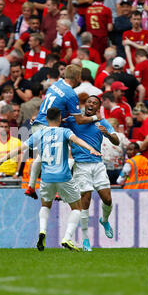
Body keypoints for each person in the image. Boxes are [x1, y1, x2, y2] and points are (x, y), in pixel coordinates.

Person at [0, 107, 101, 251]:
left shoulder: (40, 133)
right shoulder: (65, 131)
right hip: (64, 177)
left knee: (45, 206)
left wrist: (2, 159)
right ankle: (67, 238)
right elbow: (77, 140)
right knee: (77, 208)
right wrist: (90, 149)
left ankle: (42, 231)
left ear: (46, 119)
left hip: (46, 177)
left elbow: (20, 149)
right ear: (60, 117)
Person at [25, 65, 97, 199]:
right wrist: (95, 118)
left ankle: (31, 186)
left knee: (41, 157)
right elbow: (79, 120)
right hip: (49, 127)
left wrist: (39, 114)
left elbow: (48, 102)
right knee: (67, 156)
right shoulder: (71, 94)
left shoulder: (55, 84)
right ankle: (59, 190)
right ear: (77, 77)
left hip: (38, 124)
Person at [64, 95, 120, 251]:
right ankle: (85, 240)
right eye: (89, 101)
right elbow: (57, 121)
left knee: (107, 199)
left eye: (95, 103)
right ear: (85, 105)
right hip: (81, 165)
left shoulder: (102, 122)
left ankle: (104, 220)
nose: (91, 104)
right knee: (85, 201)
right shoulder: (74, 120)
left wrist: (107, 134)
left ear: (98, 108)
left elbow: (117, 141)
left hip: (98, 165)